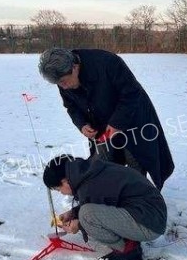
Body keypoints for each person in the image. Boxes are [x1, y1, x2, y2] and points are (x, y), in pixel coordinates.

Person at [38, 47, 174, 190]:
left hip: (132, 119)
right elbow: (71, 106)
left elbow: (132, 94)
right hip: (101, 125)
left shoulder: (107, 62)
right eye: (59, 84)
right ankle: (109, 192)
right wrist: (82, 124)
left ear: (75, 67)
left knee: (134, 158)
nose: (63, 87)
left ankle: (139, 196)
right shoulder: (62, 75)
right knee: (102, 161)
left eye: (64, 82)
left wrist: (117, 123)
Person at [43, 154, 167, 260]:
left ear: (64, 181)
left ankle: (129, 250)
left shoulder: (90, 186)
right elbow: (103, 202)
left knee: (86, 216)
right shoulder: (89, 171)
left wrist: (79, 224)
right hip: (150, 213)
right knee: (85, 213)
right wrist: (73, 213)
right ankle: (130, 238)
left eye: (58, 189)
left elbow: (91, 213)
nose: (62, 193)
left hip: (150, 225)